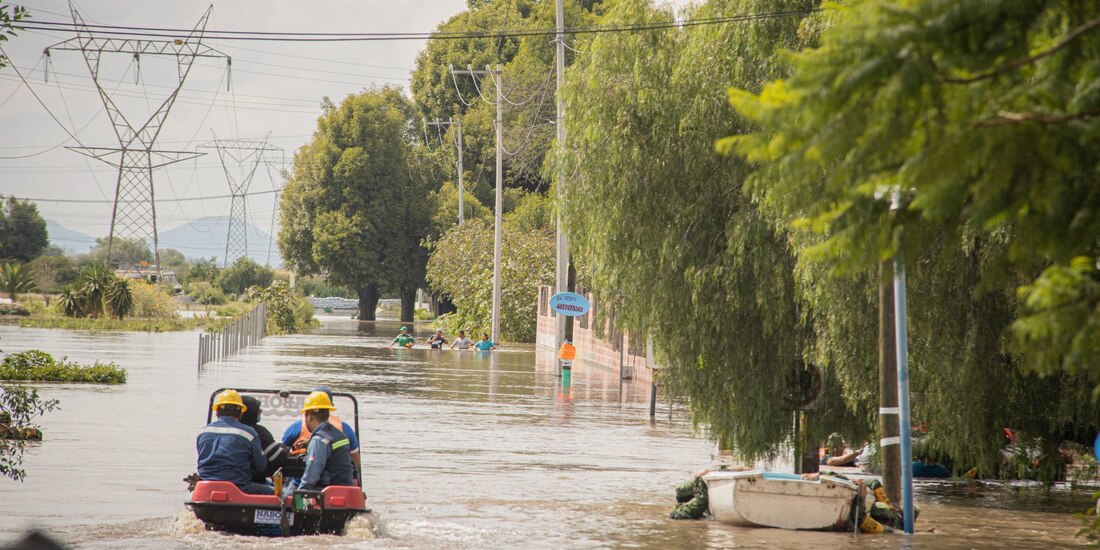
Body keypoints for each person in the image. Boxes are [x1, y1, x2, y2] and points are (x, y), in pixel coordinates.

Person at [196, 389, 272, 495]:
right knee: (280, 492)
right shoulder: (249, 433)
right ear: (240, 412)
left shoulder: (202, 432)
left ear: (217, 411)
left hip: (206, 486)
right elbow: (260, 467)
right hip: (239, 487)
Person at [282, 387, 361, 472]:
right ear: (331, 407)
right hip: (335, 479)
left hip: (302, 478)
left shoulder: (296, 427)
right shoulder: (344, 428)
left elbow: (281, 455)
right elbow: (356, 464)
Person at [289, 391, 355, 492]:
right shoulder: (340, 435)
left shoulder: (319, 440)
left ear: (309, 416)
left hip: (326, 493)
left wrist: (298, 495)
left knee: (285, 494)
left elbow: (310, 477)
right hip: (344, 491)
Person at [240, 396, 288, 483]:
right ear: (251, 412)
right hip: (251, 481)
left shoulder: (227, 430)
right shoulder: (259, 432)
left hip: (228, 480)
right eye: (258, 409)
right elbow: (277, 458)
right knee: (281, 494)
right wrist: (284, 448)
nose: (260, 411)